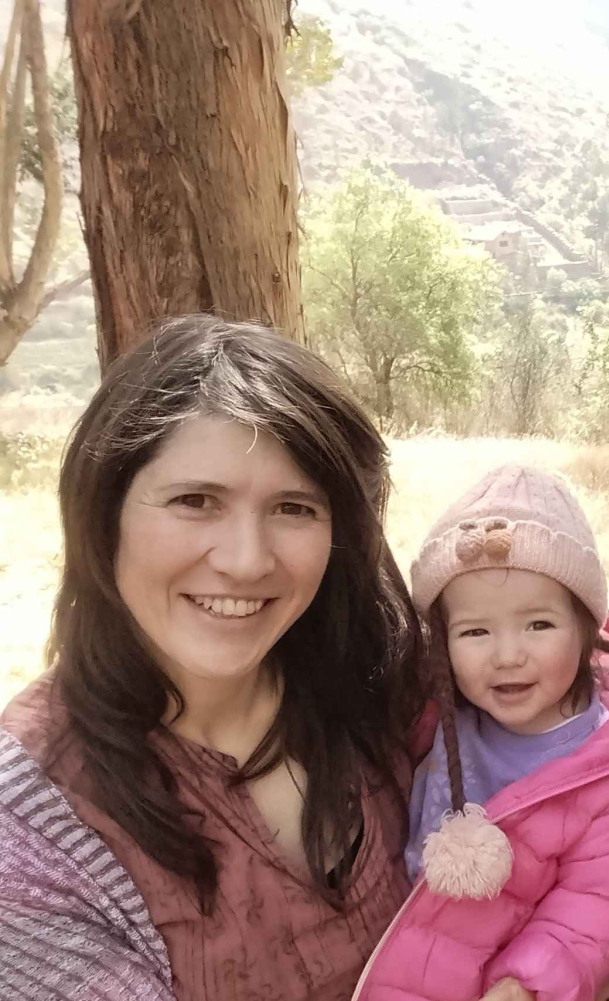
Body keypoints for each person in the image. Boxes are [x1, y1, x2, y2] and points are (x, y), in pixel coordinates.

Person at [0, 315, 425, 1000]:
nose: (246, 560)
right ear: (103, 516)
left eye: (294, 508)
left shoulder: (386, 682)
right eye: (195, 501)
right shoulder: (28, 825)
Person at [356, 465, 609, 1001]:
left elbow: (600, 903)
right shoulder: (434, 714)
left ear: (587, 630)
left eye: (539, 625)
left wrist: (524, 985)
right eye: (475, 631)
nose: (507, 655)